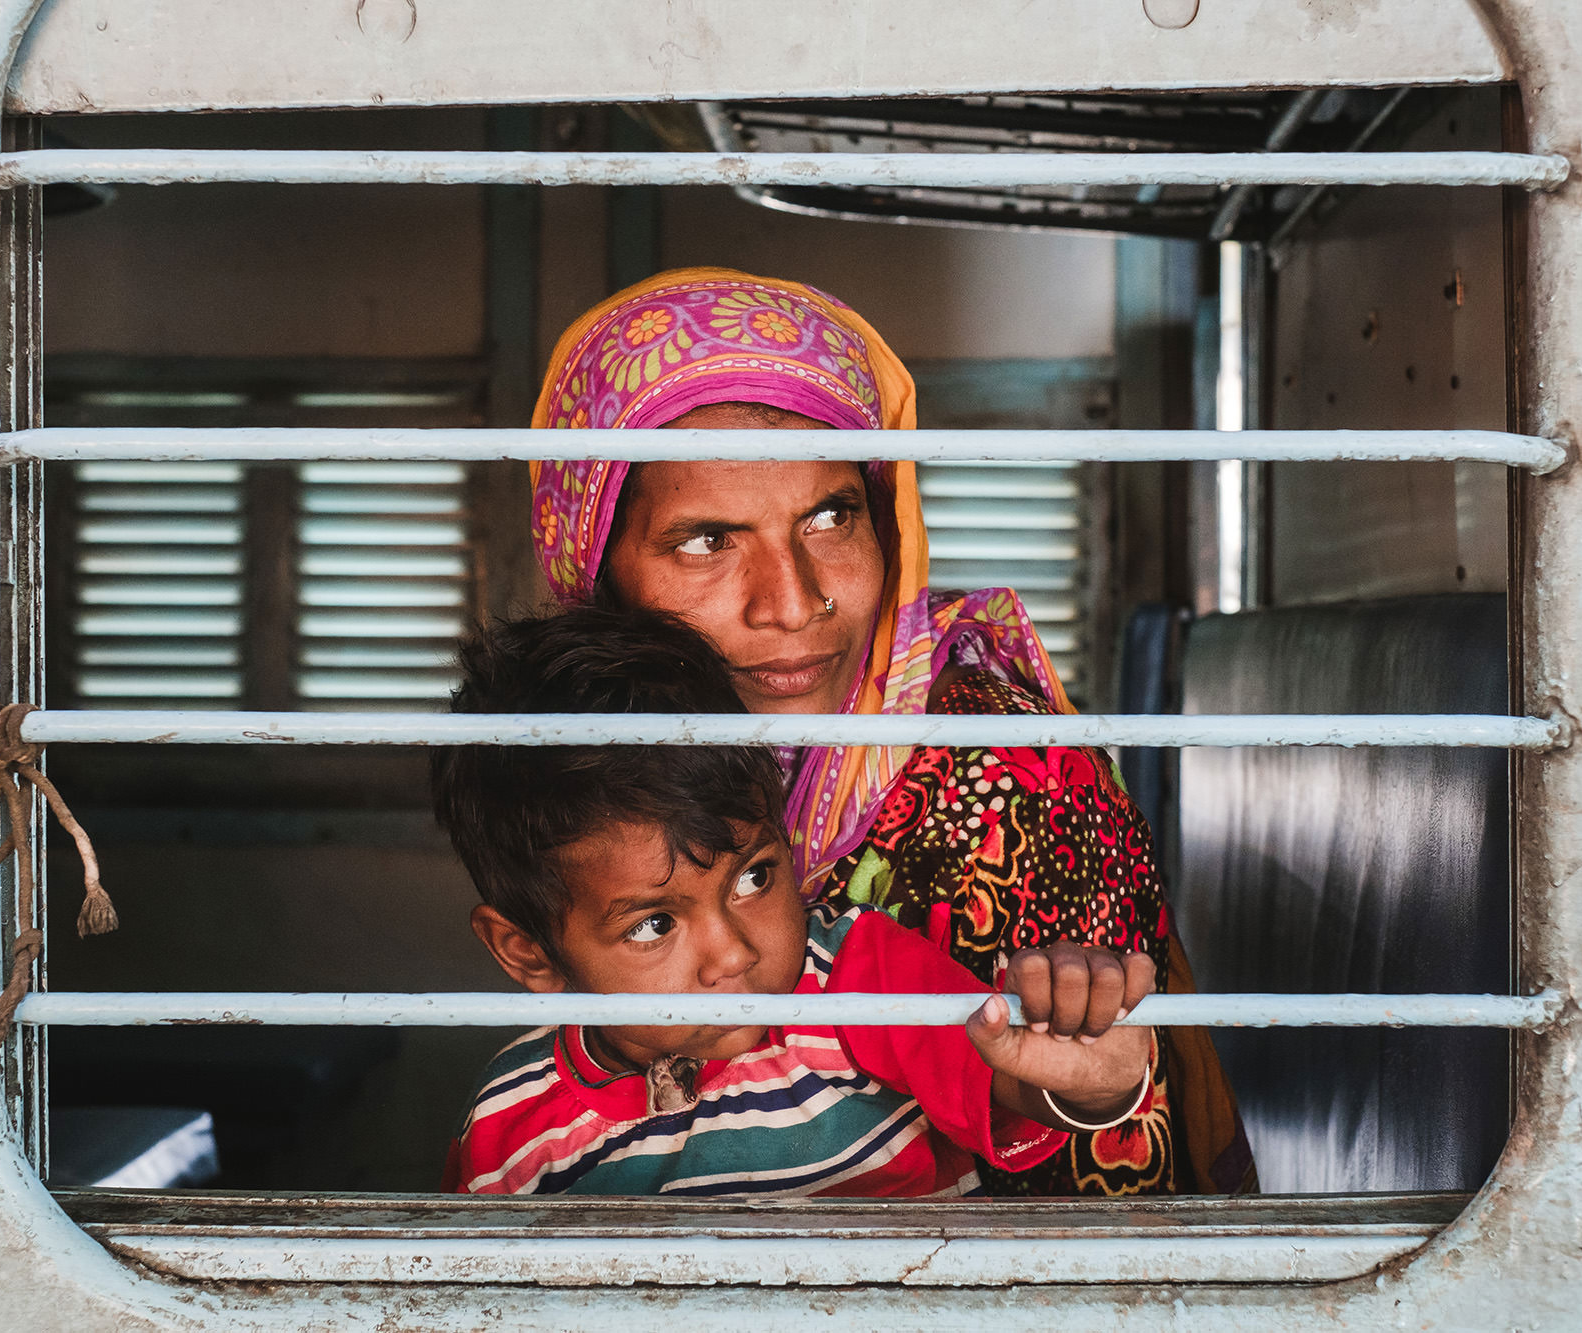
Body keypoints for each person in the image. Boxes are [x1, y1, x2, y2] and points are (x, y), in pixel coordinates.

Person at [528, 267, 1254, 1196]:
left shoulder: (1003, 783)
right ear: (594, 565)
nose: (793, 605)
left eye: (832, 516)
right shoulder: (586, 786)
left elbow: (1097, 1192)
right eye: (708, 540)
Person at [433, 606, 1158, 1197]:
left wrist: (1093, 1082)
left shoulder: (856, 982)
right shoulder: (508, 1130)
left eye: (752, 878)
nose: (735, 953)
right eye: (654, 924)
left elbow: (1012, 1080)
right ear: (528, 950)